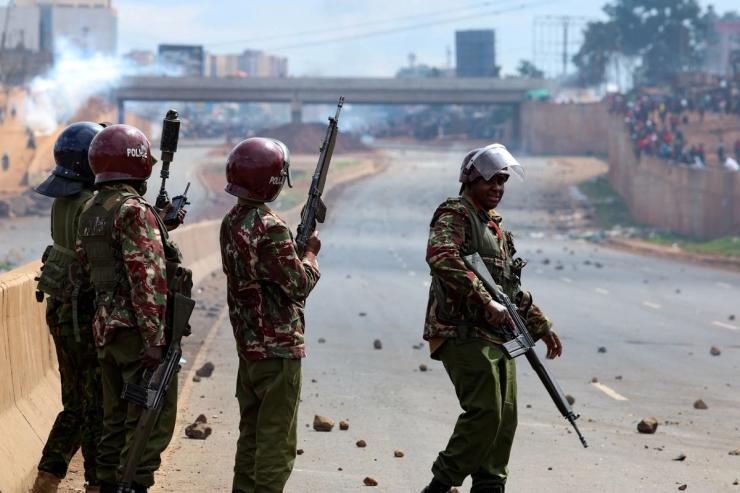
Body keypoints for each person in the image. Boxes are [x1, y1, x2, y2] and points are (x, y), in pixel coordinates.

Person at [420, 144, 562, 493]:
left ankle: (489, 485)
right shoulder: (455, 213)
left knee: (504, 419)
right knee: (485, 413)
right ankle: (440, 485)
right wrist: (484, 301)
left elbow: (509, 289)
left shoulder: (495, 227)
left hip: (499, 335)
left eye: (502, 181)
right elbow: (441, 255)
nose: (497, 188)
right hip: (462, 331)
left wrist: (541, 325)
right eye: (490, 181)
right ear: (470, 180)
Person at [76, 124, 186, 493]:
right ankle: (132, 486)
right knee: (148, 421)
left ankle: (107, 485)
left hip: (105, 329)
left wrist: (161, 224)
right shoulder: (134, 211)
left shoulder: (92, 209)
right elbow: (148, 278)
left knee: (114, 421)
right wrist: (154, 339)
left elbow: (85, 270)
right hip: (136, 334)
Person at [220, 138, 321, 493]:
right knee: (276, 442)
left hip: (248, 348)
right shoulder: (271, 226)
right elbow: (298, 285)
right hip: (278, 351)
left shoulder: (232, 221)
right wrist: (309, 254)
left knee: (251, 436)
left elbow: (259, 272)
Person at [31, 122, 105, 493]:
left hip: (61, 310)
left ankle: (47, 478)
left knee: (74, 404)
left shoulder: (64, 200)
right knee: (96, 407)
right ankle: (94, 483)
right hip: (81, 313)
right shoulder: (90, 205)